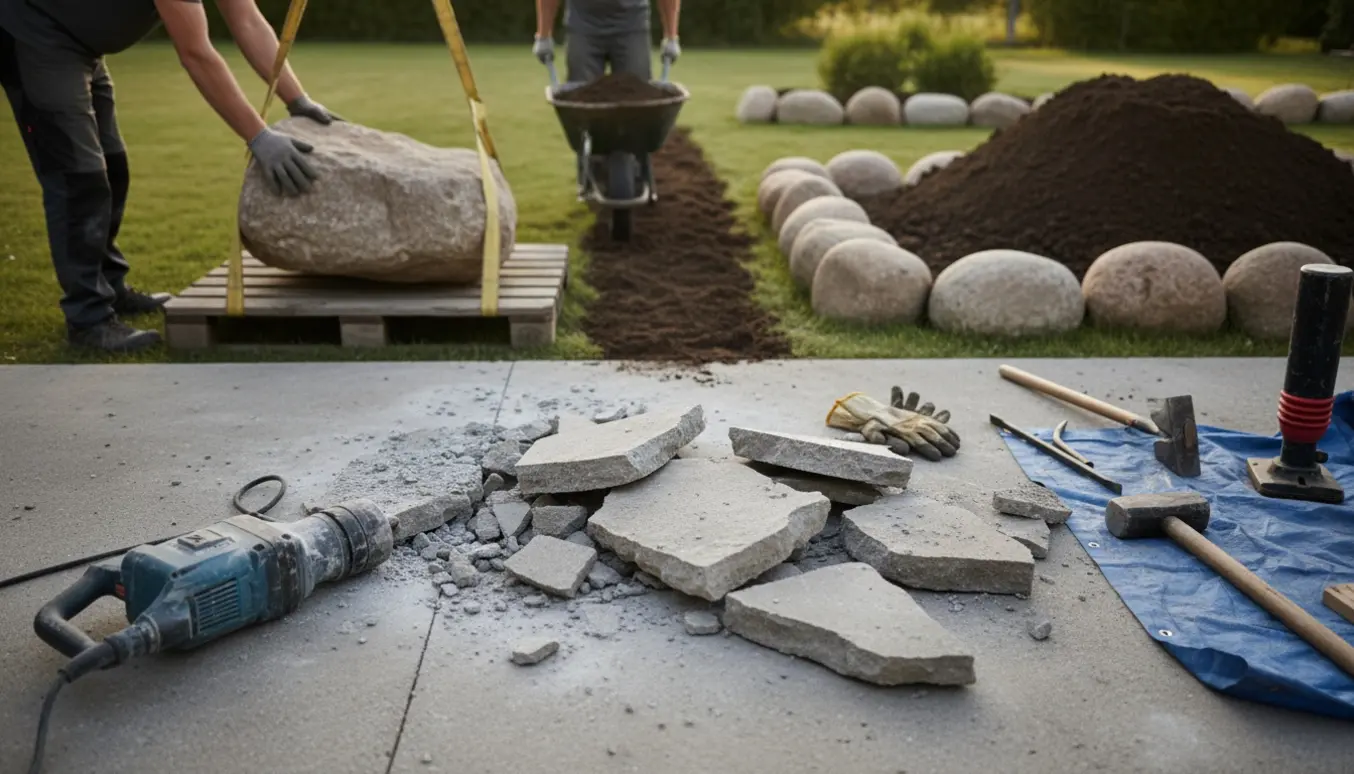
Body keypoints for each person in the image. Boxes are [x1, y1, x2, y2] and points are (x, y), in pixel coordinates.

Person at [0, 0, 336, 353]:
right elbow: (196, 53)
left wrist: (297, 99)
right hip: (34, 33)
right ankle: (89, 320)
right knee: (79, 181)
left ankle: (110, 288)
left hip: (81, 46)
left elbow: (248, 20)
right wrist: (259, 136)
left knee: (113, 169)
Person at [532, 0, 681, 84]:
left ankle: (635, 139)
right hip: (583, 27)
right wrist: (543, 35)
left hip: (631, 26)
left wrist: (671, 36)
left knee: (636, 99)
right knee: (582, 99)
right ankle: (586, 139)